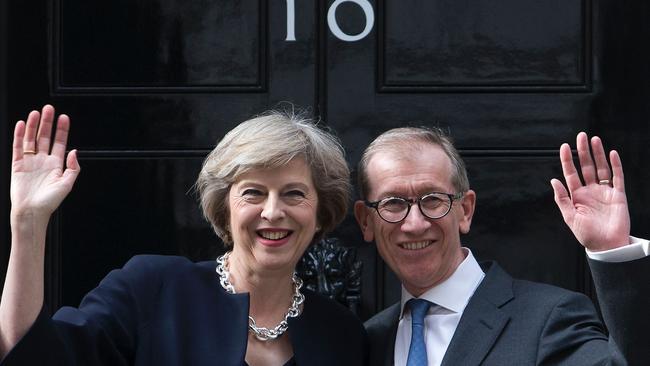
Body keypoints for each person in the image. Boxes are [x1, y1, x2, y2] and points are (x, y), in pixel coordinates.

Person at [0, 105, 367, 365]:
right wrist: (28, 224)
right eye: (253, 192)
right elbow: (31, 355)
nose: (272, 212)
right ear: (225, 207)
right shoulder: (152, 289)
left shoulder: (341, 333)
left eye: (294, 193)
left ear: (320, 213)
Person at [354, 127, 648, 365]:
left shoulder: (548, 318)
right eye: (392, 203)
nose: (415, 223)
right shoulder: (366, 340)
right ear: (366, 221)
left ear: (465, 210)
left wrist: (612, 251)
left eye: (433, 200)